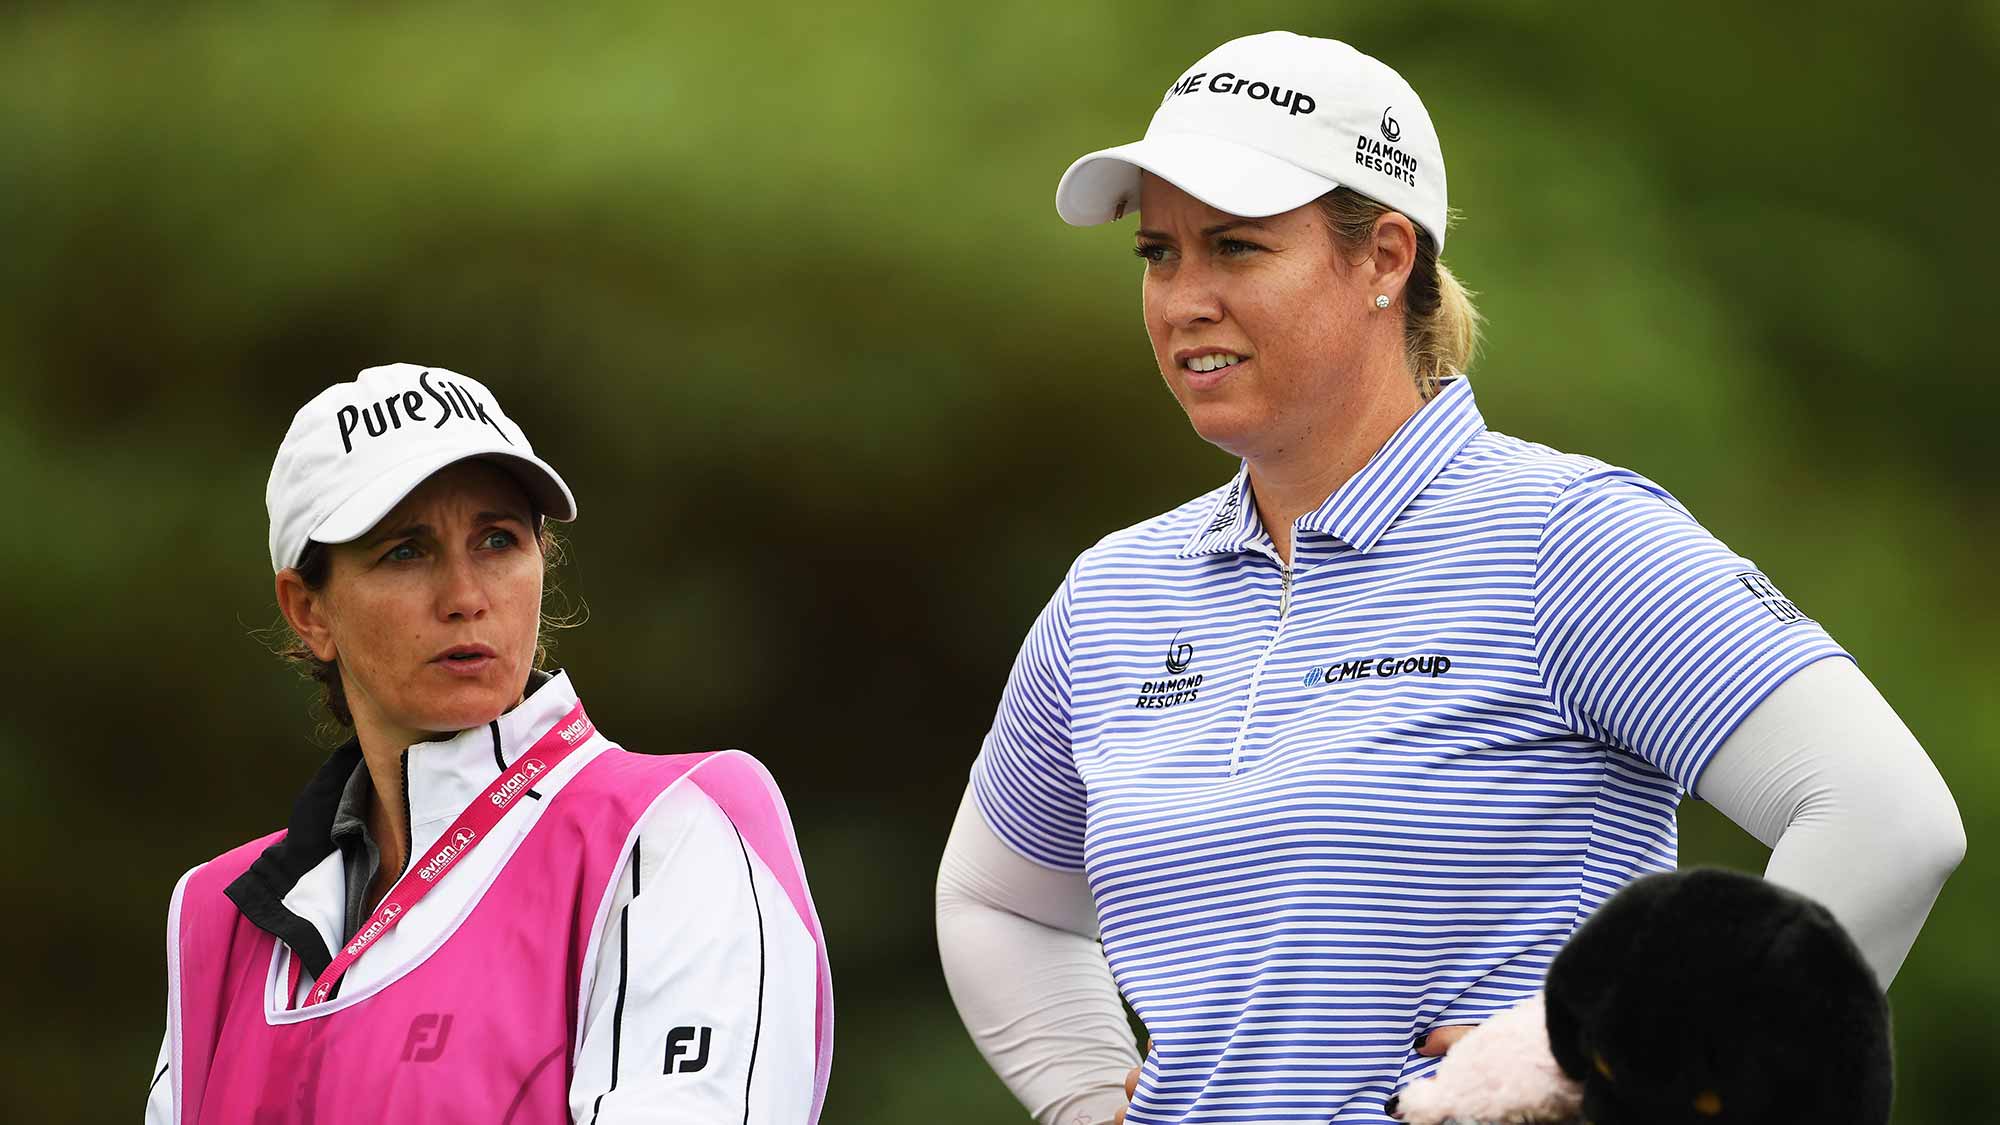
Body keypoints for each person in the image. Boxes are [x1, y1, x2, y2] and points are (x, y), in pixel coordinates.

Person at [934, 31, 1964, 1125]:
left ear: (1384, 257)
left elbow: (1885, 818)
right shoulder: (1114, 593)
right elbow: (1002, 902)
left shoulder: (1564, 537)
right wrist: (1083, 1097)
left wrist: (1617, 1063)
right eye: (1157, 253)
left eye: (1234, 248)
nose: (1182, 298)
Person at [145, 364, 833, 1124]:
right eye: (406, 551)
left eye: (498, 539)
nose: (467, 596)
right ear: (308, 610)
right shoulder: (215, 917)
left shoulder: (674, 830)